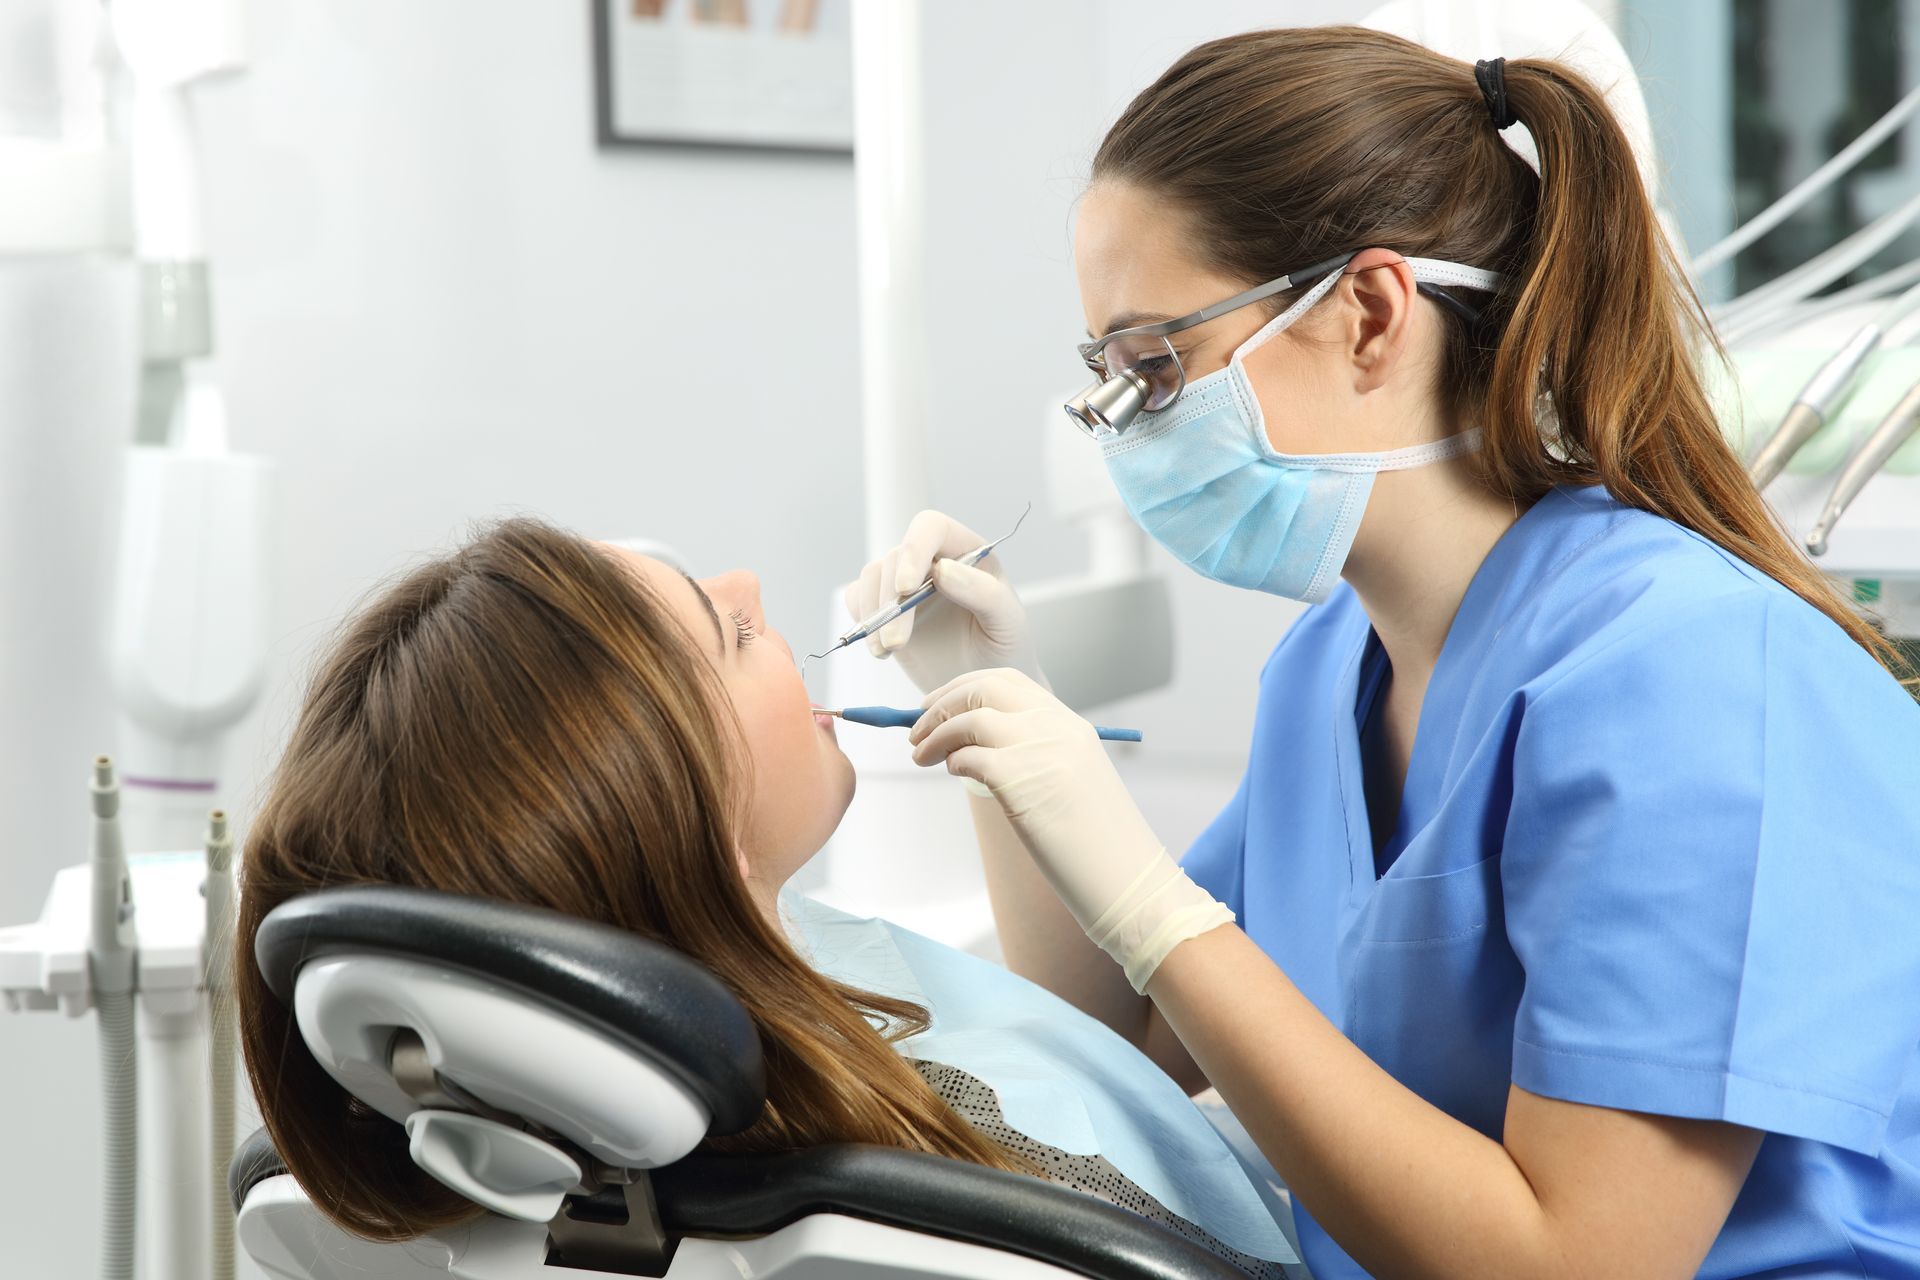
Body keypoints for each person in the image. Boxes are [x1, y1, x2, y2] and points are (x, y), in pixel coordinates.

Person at [854, 26, 1920, 1280]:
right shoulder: (1326, 670)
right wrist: (996, 708)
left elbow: (1577, 1262)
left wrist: (1154, 903)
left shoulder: (1690, 675)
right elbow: (1130, 1028)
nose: (1120, 428)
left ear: (1369, 312)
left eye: (1155, 366)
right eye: (1104, 374)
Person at [234, 517, 1294, 1274]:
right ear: (703, 847)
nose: (747, 581)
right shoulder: (1001, 1184)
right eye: (728, 634)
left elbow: (1082, 1038)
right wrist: (1154, 910)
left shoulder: (606, 1086)